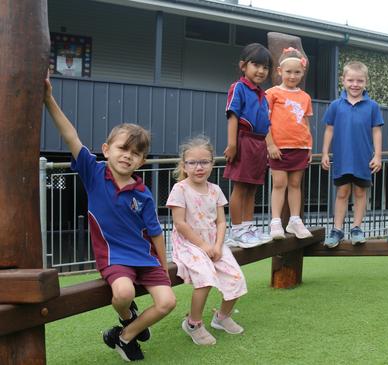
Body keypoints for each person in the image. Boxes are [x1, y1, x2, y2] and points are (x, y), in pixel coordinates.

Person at [43, 79, 176, 361]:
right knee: (124, 293)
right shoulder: (94, 174)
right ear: (106, 149)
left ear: (141, 161)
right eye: (122, 149)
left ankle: (123, 337)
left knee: (167, 302)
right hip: (114, 257)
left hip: (145, 257)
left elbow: (155, 233)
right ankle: (129, 318)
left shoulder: (144, 194)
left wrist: (163, 265)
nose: (127, 156)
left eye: (135, 153)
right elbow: (71, 136)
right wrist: (48, 100)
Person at [166, 136, 247, 346]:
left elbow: (221, 222)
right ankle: (193, 323)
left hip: (214, 242)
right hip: (190, 243)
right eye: (192, 162)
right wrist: (203, 246)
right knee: (206, 276)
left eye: (204, 162)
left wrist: (218, 245)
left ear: (212, 163)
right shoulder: (180, 189)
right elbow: (180, 224)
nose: (198, 167)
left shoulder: (215, 190)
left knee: (236, 277)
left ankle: (222, 317)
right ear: (184, 165)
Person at [321, 61, 383, 248]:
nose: (355, 84)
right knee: (342, 192)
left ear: (365, 82)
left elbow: (377, 131)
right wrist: (325, 152)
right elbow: (329, 130)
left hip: (363, 158)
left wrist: (378, 155)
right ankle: (337, 229)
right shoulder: (335, 105)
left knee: (360, 192)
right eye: (351, 80)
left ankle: (357, 228)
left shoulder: (372, 106)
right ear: (343, 80)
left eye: (359, 81)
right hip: (342, 157)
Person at [223, 43, 273, 248]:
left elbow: (266, 124)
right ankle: (236, 230)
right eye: (256, 65)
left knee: (252, 188)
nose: (261, 70)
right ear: (243, 66)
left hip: (259, 143)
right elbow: (233, 115)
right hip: (244, 140)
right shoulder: (239, 87)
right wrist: (232, 144)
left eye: (265, 67)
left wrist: (268, 147)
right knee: (240, 187)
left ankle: (248, 226)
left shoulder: (263, 95)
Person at [265, 47, 314, 240]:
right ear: (279, 72)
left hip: (300, 146)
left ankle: (295, 220)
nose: (292, 76)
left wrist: (309, 146)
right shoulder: (271, 93)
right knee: (279, 183)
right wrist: (270, 144)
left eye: (297, 72)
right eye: (288, 72)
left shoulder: (305, 97)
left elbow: (306, 122)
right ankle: (276, 221)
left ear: (302, 73)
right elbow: (264, 120)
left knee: (295, 184)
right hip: (279, 146)